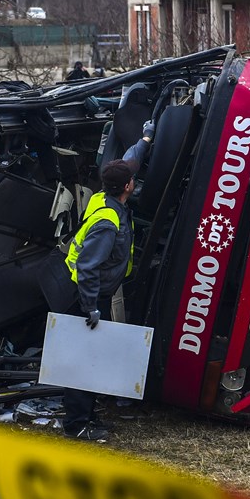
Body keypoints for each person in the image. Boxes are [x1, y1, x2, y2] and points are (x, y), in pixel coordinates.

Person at [59, 121, 154, 440]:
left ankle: (85, 414)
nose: (134, 180)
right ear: (127, 187)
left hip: (94, 292)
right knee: (84, 359)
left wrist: (145, 138)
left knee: (91, 356)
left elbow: (130, 159)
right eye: (132, 180)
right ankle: (76, 424)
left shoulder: (105, 196)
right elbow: (87, 267)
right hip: (86, 294)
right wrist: (91, 308)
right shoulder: (107, 222)